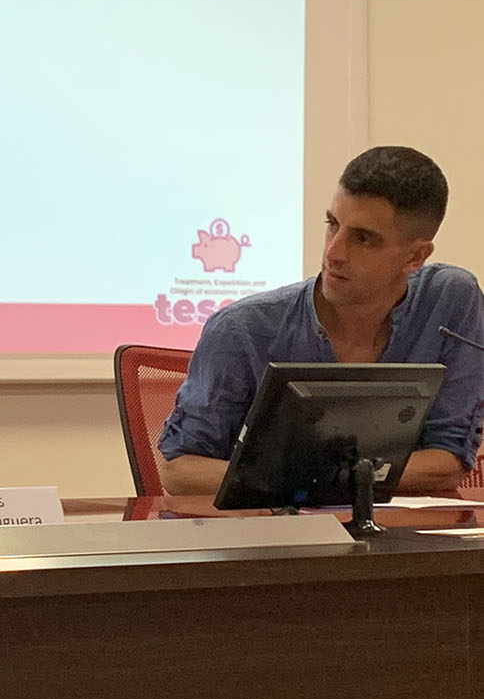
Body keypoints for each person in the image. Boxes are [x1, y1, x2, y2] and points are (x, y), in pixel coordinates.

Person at [159, 145, 484, 495]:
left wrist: (312, 476)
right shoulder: (242, 329)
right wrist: (328, 479)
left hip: (397, 526)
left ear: (415, 256)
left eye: (363, 239)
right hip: (271, 525)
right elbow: (179, 472)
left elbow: (447, 461)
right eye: (332, 224)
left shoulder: (451, 301)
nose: (334, 252)